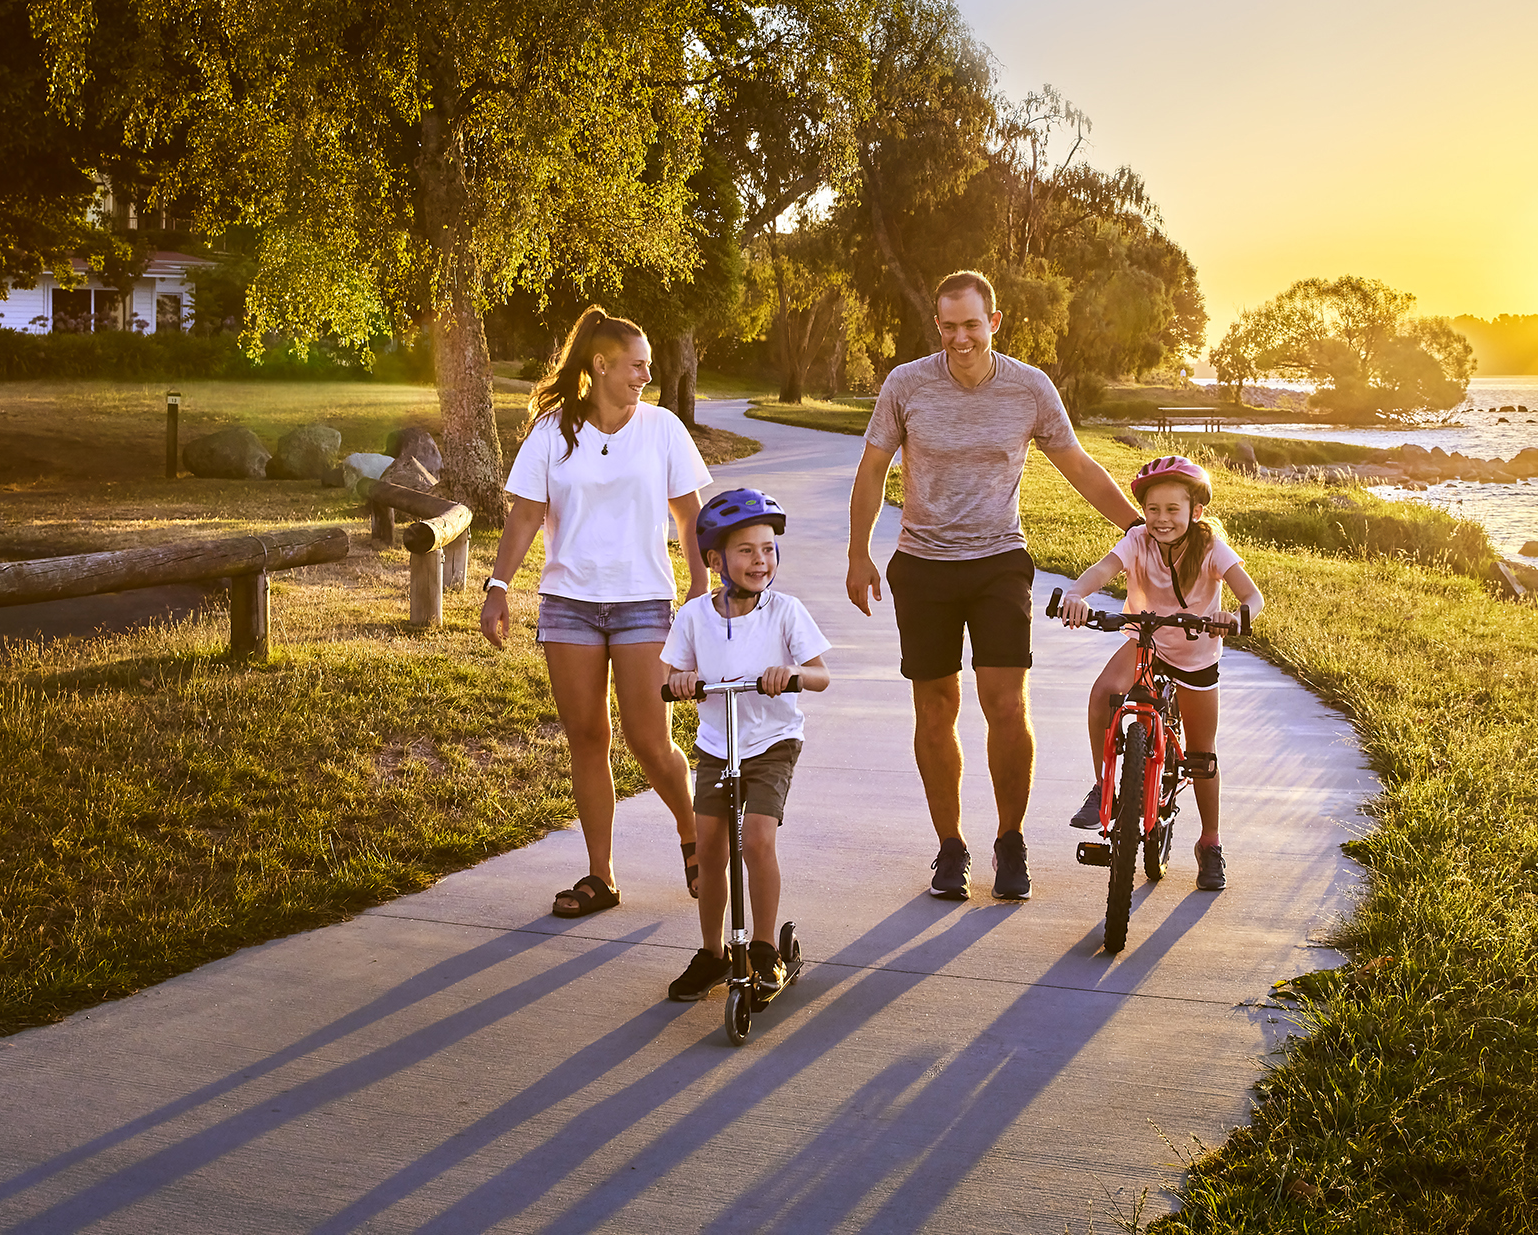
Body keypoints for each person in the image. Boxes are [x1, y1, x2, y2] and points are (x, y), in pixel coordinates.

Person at [846, 270, 1142, 904]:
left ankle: (1011, 841)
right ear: (939, 327)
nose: (959, 338)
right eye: (948, 326)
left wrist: (1142, 529)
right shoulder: (907, 385)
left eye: (970, 325)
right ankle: (951, 847)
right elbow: (872, 469)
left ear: (994, 322)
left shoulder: (1029, 388)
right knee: (937, 707)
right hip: (922, 564)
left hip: (999, 561)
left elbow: (1079, 466)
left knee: (1006, 704)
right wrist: (857, 553)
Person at [480, 307, 710, 919]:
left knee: (648, 739)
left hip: (642, 601)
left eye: (649, 367)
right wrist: (499, 586)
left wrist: (700, 583)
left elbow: (689, 514)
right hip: (569, 604)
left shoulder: (662, 428)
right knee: (587, 737)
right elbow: (526, 515)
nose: (646, 375)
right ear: (602, 365)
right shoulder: (553, 432)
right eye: (637, 366)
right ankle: (600, 875)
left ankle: (696, 840)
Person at [1058, 455, 1266, 892]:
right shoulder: (1137, 540)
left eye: (1173, 510)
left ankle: (1210, 843)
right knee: (1103, 694)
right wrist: (1077, 592)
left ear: (1196, 512)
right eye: (1154, 509)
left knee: (1201, 758)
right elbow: (1103, 570)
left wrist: (1238, 614)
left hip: (1195, 652)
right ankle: (1103, 788)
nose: (1162, 519)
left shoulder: (1211, 547)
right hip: (1146, 638)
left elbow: (1251, 594)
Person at [661, 487, 832, 1005]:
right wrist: (683, 680)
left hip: (771, 743)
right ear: (715, 560)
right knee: (710, 847)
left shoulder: (785, 612)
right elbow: (666, 675)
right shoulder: (694, 616)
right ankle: (712, 952)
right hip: (718, 744)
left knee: (756, 839)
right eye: (746, 550)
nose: (761, 560)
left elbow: (821, 676)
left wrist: (793, 672)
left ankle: (763, 948)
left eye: (768, 549)